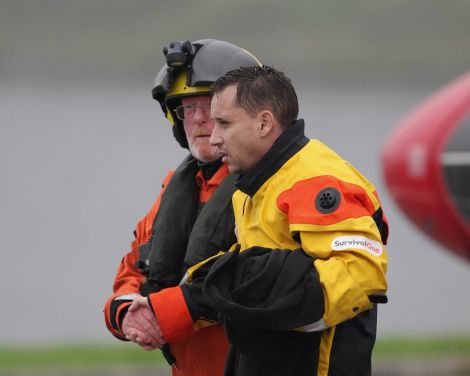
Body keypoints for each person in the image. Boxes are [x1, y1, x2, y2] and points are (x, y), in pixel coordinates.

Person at [198, 65, 389, 375]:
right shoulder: (251, 186)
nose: (214, 138)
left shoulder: (316, 180)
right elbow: (254, 272)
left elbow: (363, 273)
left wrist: (277, 309)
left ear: (264, 123)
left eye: (223, 123)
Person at [103, 39, 261, 376]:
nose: (200, 120)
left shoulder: (266, 189)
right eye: (188, 109)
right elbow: (132, 271)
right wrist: (129, 314)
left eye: (209, 104)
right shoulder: (175, 193)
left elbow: (259, 285)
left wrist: (162, 314)